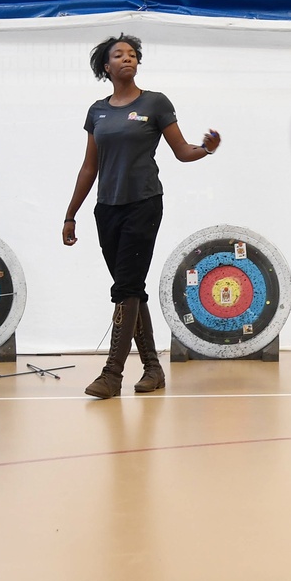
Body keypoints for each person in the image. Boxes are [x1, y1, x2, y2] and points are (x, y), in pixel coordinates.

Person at [62, 33, 220, 399]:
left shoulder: (156, 103)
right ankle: (152, 368)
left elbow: (181, 151)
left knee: (126, 288)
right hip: (107, 209)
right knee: (130, 290)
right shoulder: (97, 111)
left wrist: (206, 150)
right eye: (119, 55)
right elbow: (89, 167)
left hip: (143, 205)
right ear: (107, 66)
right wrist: (71, 214)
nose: (127, 59)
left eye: (133, 54)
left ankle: (112, 374)